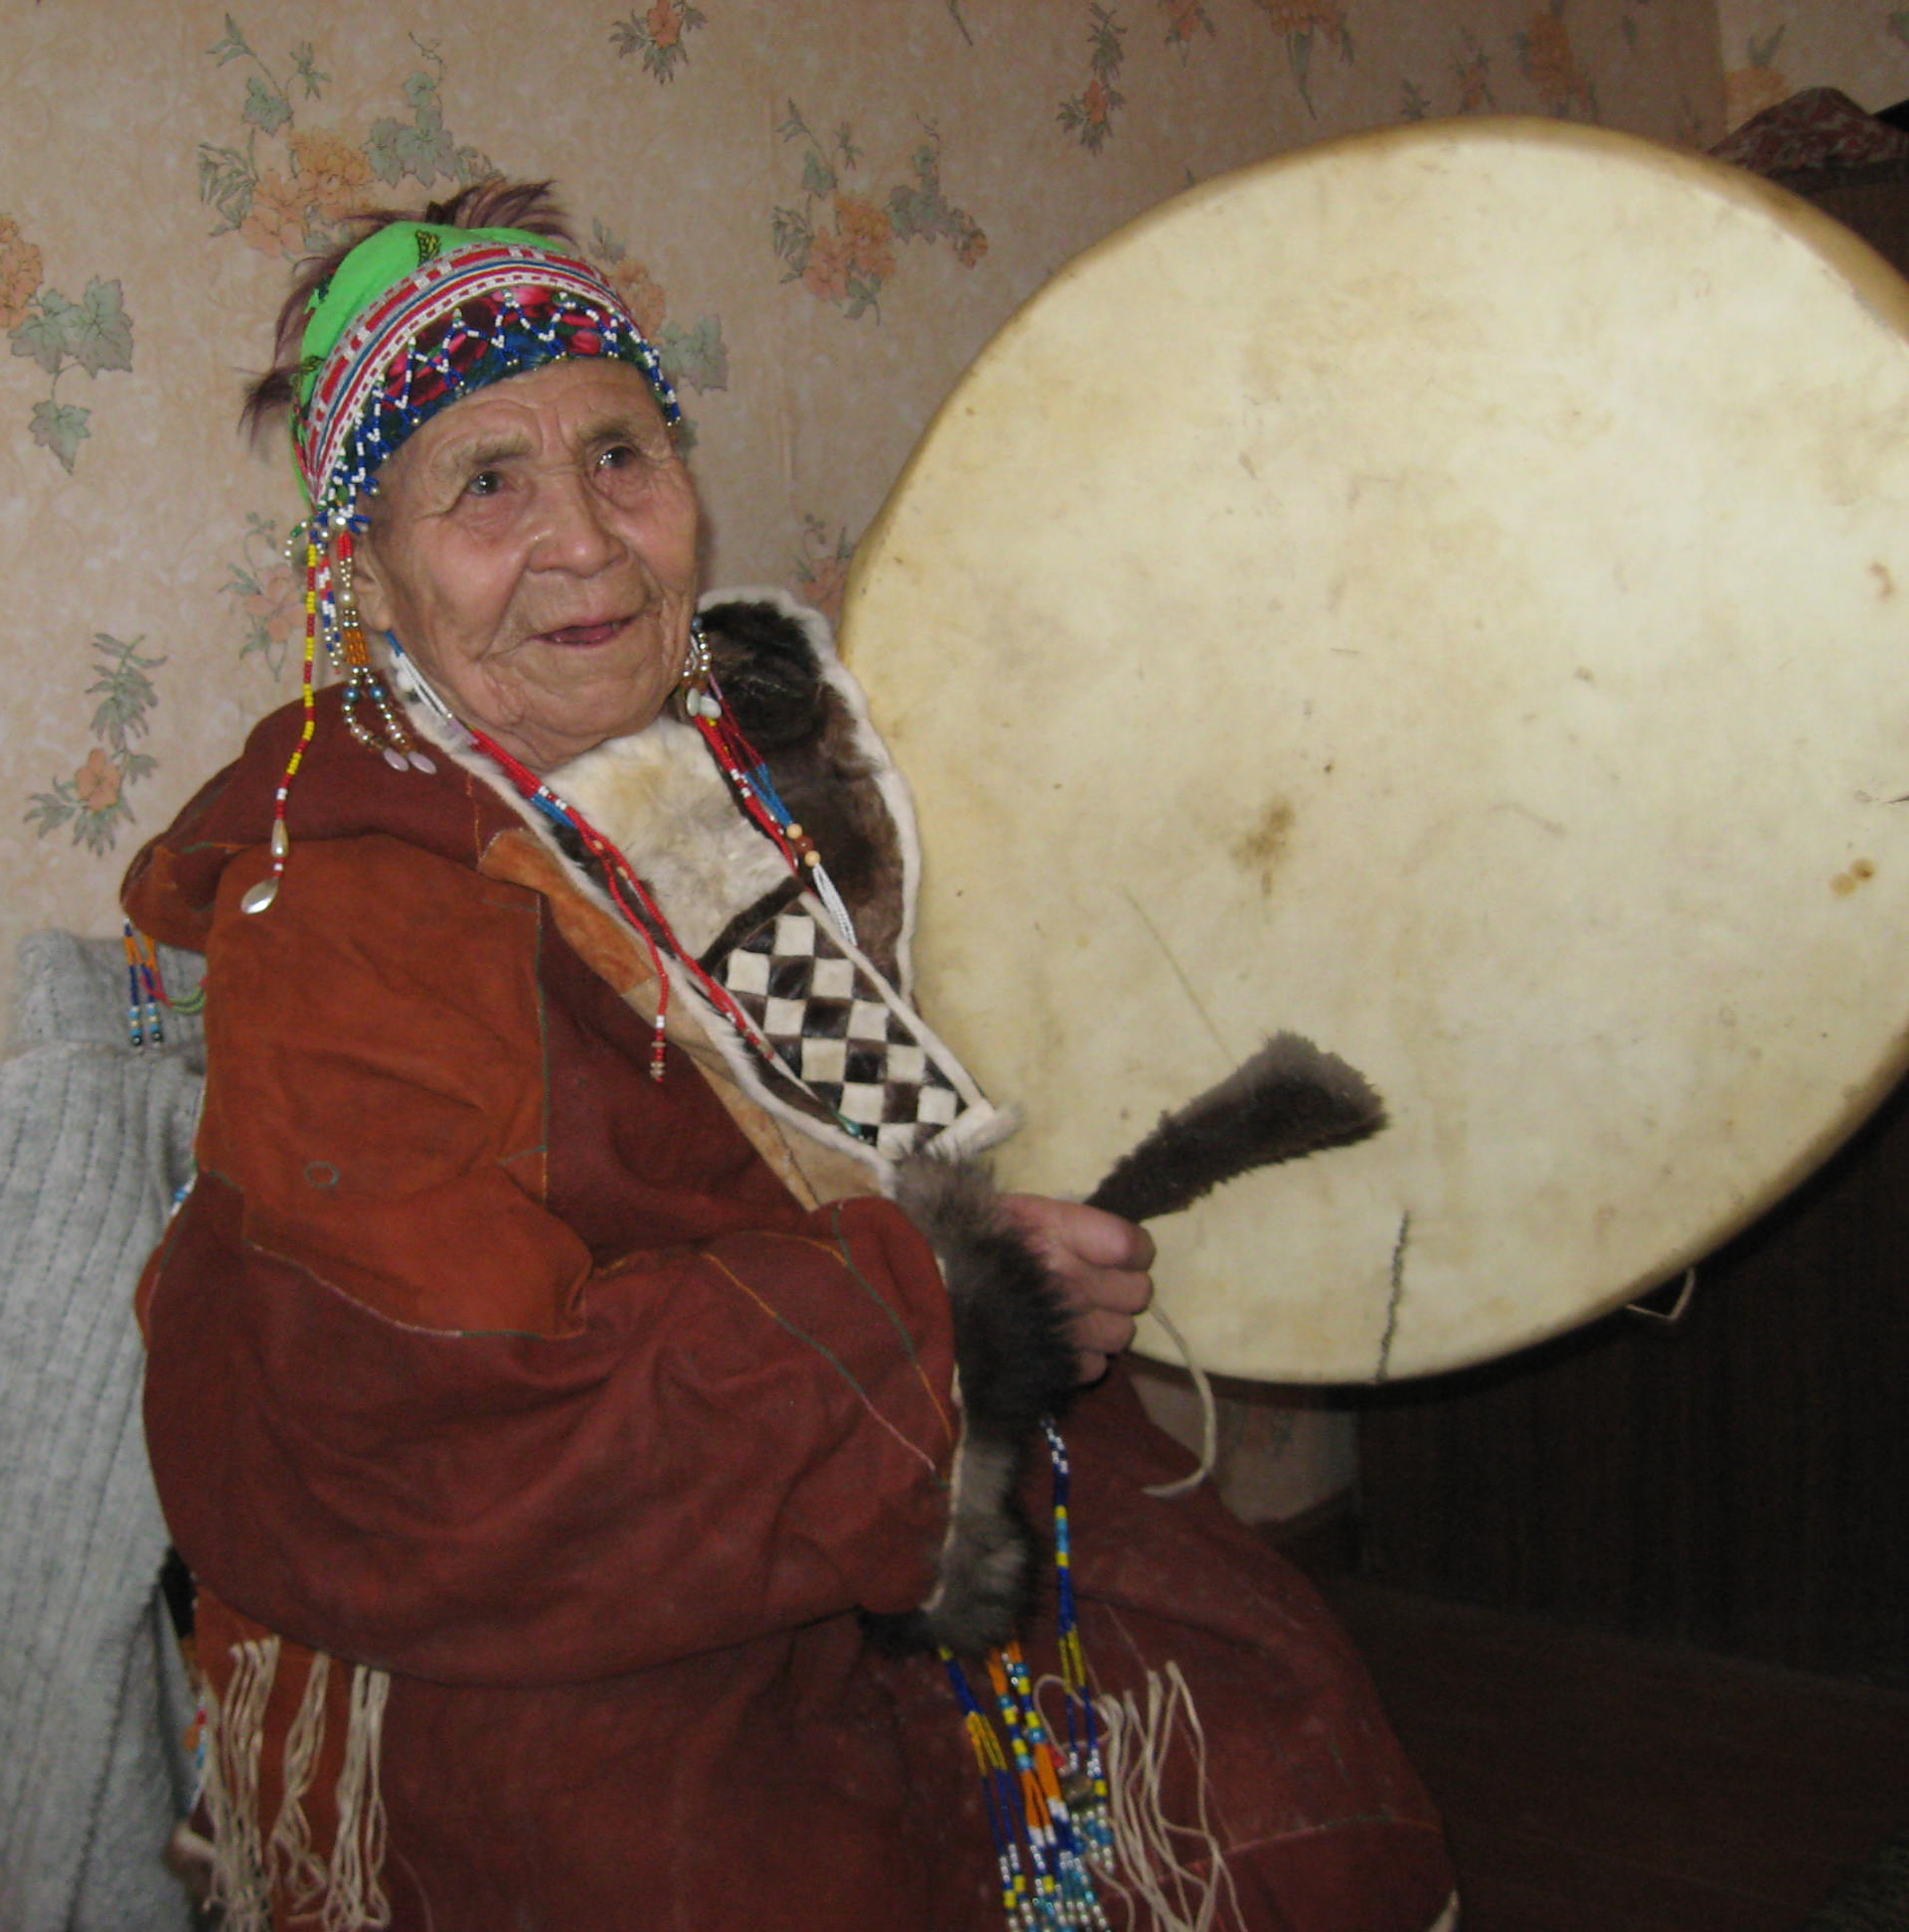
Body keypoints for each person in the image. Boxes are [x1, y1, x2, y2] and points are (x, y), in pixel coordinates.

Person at [125, 180, 1455, 1931]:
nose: (586, 541)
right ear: (363, 569)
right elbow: (420, 1428)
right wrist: (943, 1315)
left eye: (620, 455)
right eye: (486, 485)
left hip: (872, 1443)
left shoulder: (752, 768)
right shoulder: (352, 912)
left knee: (1280, 1760)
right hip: (557, 1590)